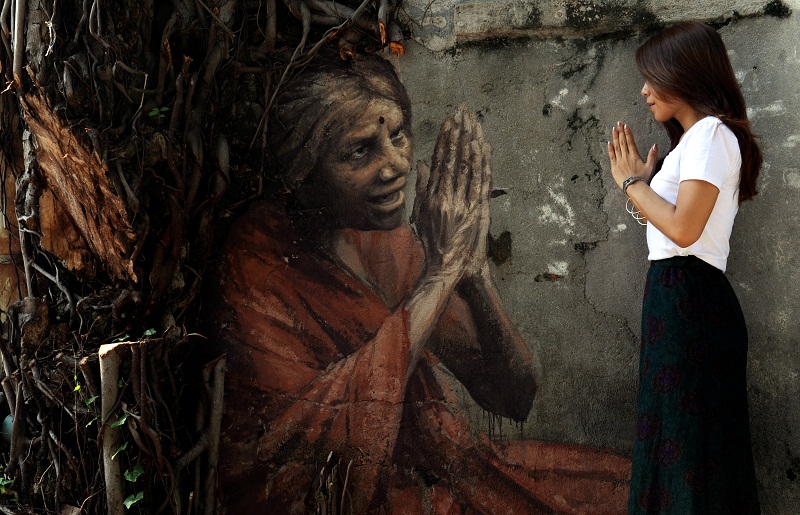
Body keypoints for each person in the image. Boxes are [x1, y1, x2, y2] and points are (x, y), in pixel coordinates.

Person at [207, 49, 630, 514]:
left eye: (398, 136)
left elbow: (511, 396)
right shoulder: (258, 257)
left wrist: (472, 278)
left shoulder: (382, 240)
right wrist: (442, 272)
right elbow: (305, 463)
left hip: (448, 475)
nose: (396, 166)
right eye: (360, 150)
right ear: (303, 173)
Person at [606, 22, 762, 513]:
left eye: (654, 78)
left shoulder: (711, 134)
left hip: (690, 301)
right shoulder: (695, 141)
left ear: (685, 74)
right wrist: (647, 185)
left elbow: (685, 230)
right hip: (678, 300)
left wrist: (632, 183)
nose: (644, 91)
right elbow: (671, 228)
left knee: (686, 444)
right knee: (678, 439)